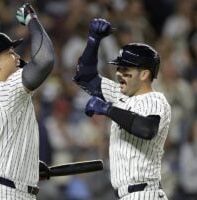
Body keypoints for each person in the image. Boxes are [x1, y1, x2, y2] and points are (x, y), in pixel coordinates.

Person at [73, 18, 171, 200]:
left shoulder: (156, 99)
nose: (119, 73)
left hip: (145, 193)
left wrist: (108, 110)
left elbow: (147, 129)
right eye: (119, 68)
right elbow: (84, 77)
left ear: (144, 74)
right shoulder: (120, 94)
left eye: (126, 69)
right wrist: (93, 40)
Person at [0, 3, 54, 200]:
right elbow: (45, 60)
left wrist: (27, 166)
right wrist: (32, 20)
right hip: (5, 193)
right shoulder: (6, 89)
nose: (16, 57)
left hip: (1, 189)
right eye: (10, 53)